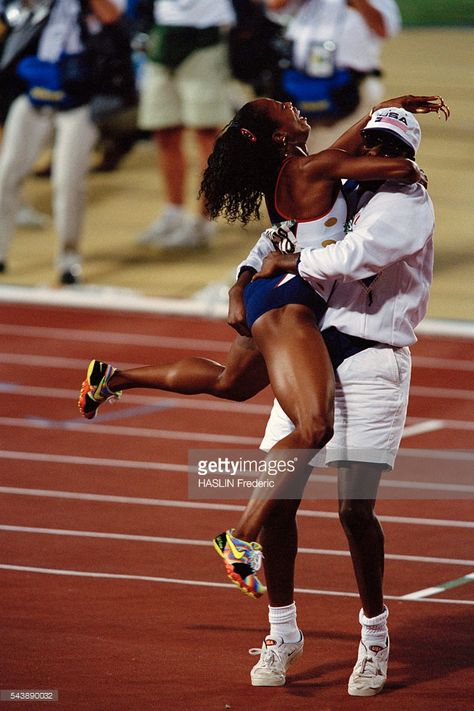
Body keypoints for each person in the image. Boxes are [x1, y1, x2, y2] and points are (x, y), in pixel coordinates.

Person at [78, 92, 445, 595]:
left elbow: (347, 148)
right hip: (290, 304)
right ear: (280, 137)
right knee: (314, 428)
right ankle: (242, 537)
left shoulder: (300, 170)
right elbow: (393, 167)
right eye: (284, 109)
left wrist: (239, 282)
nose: (295, 106)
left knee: (231, 382)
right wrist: (408, 166)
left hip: (267, 295)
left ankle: (114, 377)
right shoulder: (316, 168)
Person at [243, 104, 448, 695]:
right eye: (374, 141)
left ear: (404, 155)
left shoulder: (407, 202)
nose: (378, 153)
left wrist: (292, 261)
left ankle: (375, 635)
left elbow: (354, 256)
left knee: (353, 511)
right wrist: (246, 270)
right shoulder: (339, 186)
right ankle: (282, 631)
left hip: (374, 356)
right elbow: (278, 233)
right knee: (280, 499)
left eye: (390, 146)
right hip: (311, 350)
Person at [0, 0, 126, 285]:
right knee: (6, 174)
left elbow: (113, 18)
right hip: (35, 95)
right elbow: (15, 15)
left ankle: (68, 260)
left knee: (68, 182)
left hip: (79, 101)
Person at [135, 0, 236, 249]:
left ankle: (203, 221)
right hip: (163, 34)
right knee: (165, 132)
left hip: (205, 35)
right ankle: (174, 211)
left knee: (206, 136)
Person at [264, 0, 402, 153]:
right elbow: (274, 6)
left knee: (337, 155)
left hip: (350, 87)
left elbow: (383, 29)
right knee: (303, 153)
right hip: (303, 85)